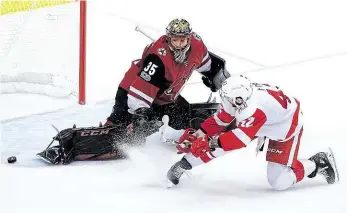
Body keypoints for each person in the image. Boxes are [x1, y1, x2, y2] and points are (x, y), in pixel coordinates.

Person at [37, 18, 230, 165]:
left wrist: (215, 76)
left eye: (183, 40)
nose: (180, 44)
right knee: (127, 137)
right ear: (168, 38)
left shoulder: (196, 44)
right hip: (132, 94)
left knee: (183, 116)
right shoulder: (157, 58)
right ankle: (69, 145)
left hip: (165, 97)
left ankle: (225, 121)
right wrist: (141, 116)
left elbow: (207, 64)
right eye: (175, 40)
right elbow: (140, 92)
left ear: (189, 37)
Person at [167, 75, 339, 190]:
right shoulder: (236, 95)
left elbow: (238, 140)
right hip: (267, 119)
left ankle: (318, 163)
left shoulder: (254, 108)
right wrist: (197, 135)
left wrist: (208, 142)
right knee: (221, 141)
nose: (234, 106)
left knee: (278, 181)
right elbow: (220, 120)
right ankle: (184, 165)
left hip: (284, 126)